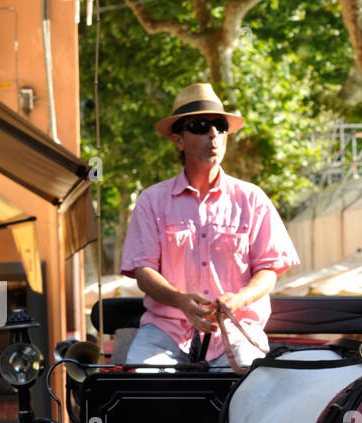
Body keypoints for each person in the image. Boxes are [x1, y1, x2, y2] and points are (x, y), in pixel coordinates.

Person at [120, 83, 299, 373]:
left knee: (251, 387)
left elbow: (270, 269)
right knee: (140, 386)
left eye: (219, 125)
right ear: (179, 141)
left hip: (238, 327)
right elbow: (143, 271)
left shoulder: (252, 198)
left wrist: (240, 298)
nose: (213, 134)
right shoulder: (151, 201)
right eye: (201, 126)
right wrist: (181, 301)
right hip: (166, 330)